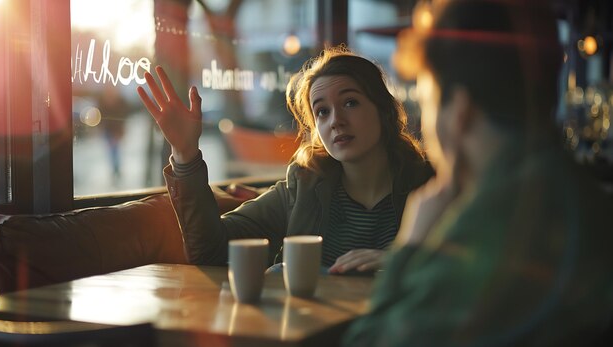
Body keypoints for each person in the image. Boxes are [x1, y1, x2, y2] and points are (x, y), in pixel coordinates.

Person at [342, 0, 613, 347]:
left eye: (428, 99)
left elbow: (369, 345)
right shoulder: (576, 190)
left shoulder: (498, 218)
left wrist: (410, 247)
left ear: (459, 110)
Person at [137, 46, 434, 274]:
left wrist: (403, 260)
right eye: (322, 111)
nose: (336, 121)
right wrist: (185, 152)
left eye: (350, 102)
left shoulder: (431, 184)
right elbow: (211, 253)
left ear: (383, 110)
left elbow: (474, 262)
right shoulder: (303, 186)